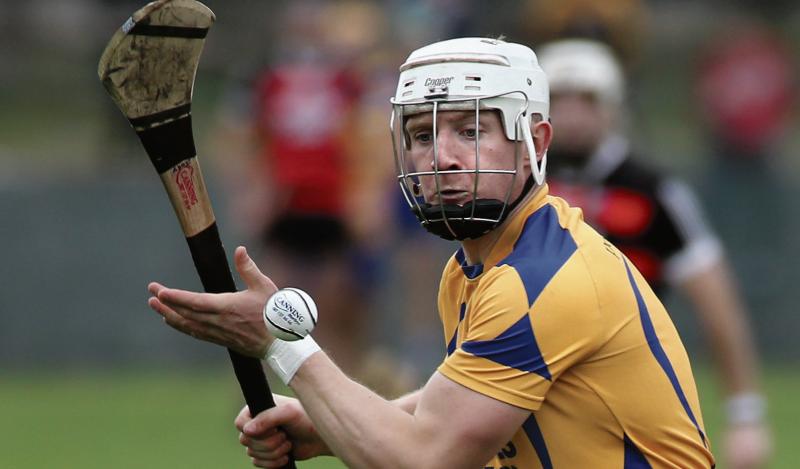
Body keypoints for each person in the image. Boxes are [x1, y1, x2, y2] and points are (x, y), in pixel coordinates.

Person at [147, 38, 715, 468]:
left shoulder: (542, 280)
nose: (439, 157)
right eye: (421, 136)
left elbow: (425, 459)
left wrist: (281, 344)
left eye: (470, 131)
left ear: (535, 143)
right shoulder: (475, 266)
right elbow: (467, 395)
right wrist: (328, 425)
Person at [539, 38, 770, 468]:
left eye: (586, 99)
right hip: (535, 379)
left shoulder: (654, 191)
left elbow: (716, 299)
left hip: (628, 387)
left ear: (614, 107)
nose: (571, 114)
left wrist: (745, 416)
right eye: (558, 99)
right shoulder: (520, 184)